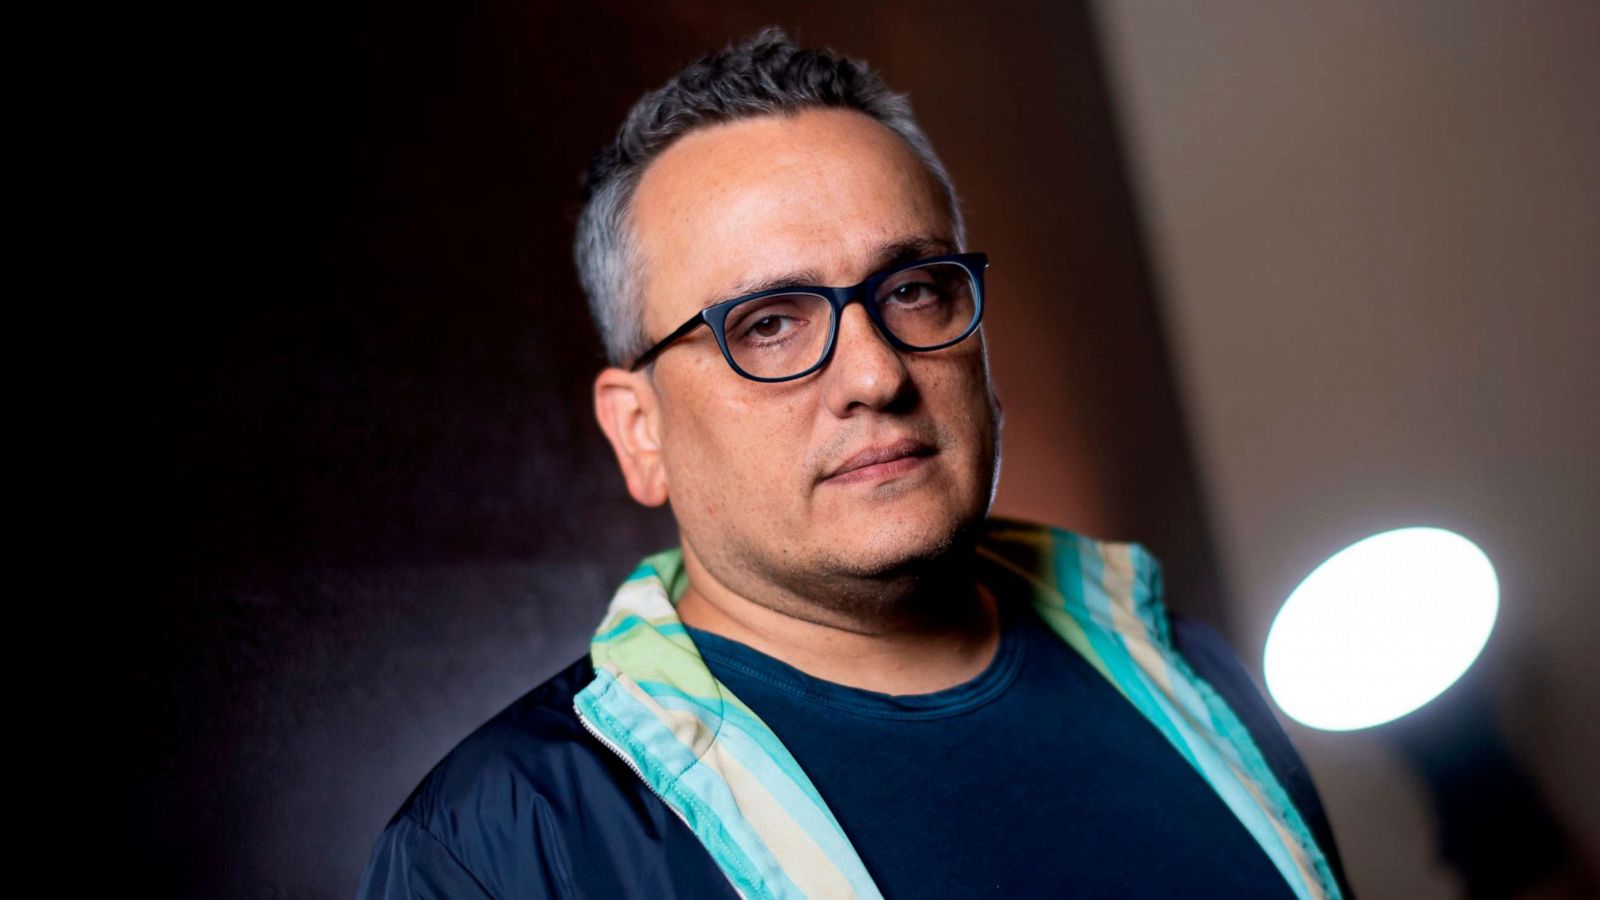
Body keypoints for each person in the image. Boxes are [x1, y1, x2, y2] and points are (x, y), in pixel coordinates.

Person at [356, 29, 1352, 899]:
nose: (875, 373)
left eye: (914, 290)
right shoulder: (500, 849)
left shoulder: (1180, 666)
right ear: (639, 432)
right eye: (770, 323)